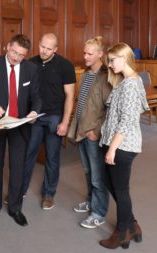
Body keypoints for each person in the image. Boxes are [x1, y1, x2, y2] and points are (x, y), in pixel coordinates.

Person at [0, 34, 42, 226]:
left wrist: (33, 111)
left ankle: (15, 207)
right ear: (7, 47)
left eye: (21, 55)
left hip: (19, 125)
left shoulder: (31, 69)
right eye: (14, 52)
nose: (16, 58)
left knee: (18, 168)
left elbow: (37, 96)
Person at [99, 42, 149, 249]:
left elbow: (127, 120)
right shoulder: (126, 81)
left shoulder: (130, 84)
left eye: (112, 60)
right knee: (111, 183)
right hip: (117, 142)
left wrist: (112, 148)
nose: (109, 65)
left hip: (122, 146)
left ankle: (122, 233)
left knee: (120, 190)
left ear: (124, 58)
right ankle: (132, 225)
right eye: (108, 61)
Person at [22, 33, 76, 210]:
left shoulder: (65, 66)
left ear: (56, 49)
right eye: (42, 46)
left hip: (55, 117)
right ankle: (20, 189)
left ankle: (49, 194)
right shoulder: (30, 63)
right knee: (28, 153)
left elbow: (69, 96)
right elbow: (25, 93)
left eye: (49, 48)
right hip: (34, 117)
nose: (44, 51)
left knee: (52, 157)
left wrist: (65, 122)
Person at [70, 36, 112, 228]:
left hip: (93, 134)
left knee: (97, 175)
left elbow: (109, 109)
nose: (85, 56)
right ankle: (91, 201)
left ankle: (99, 212)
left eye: (89, 53)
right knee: (88, 172)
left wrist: (96, 131)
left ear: (100, 54)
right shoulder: (86, 74)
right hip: (81, 130)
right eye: (84, 53)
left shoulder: (106, 76)